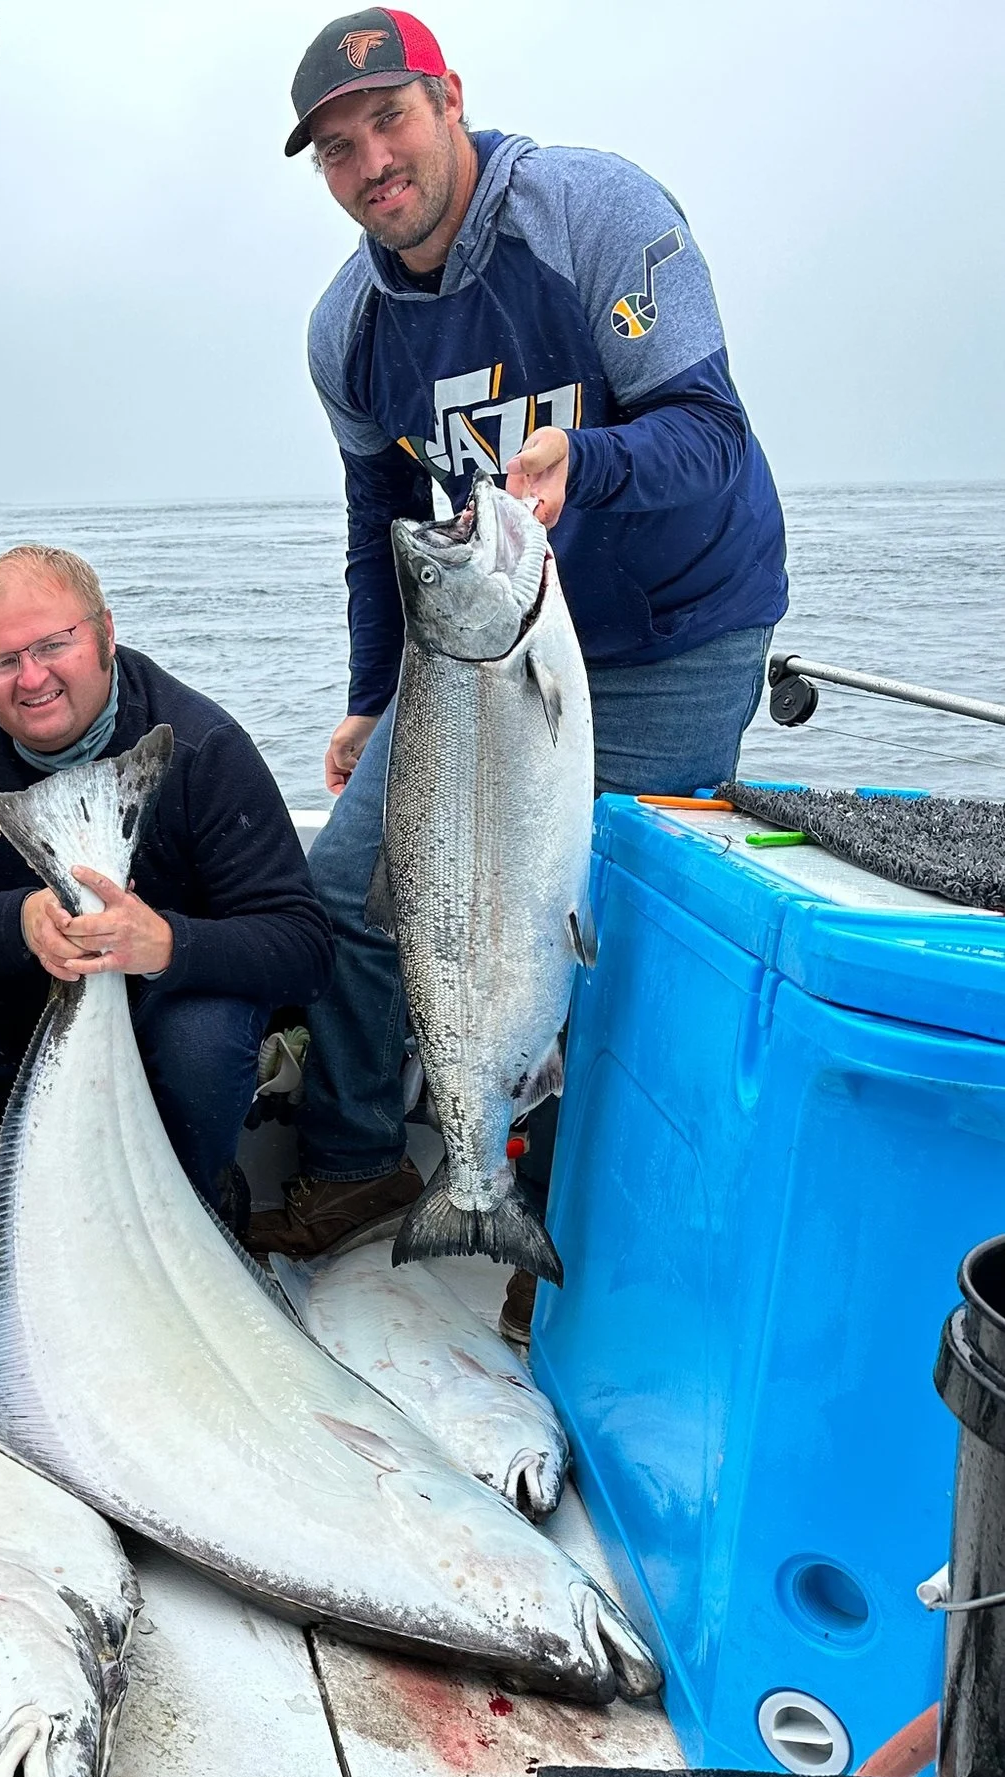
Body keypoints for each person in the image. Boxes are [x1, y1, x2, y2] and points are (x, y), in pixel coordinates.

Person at [260, 11, 789, 1323]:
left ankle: (561, 1216)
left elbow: (710, 436)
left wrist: (583, 467)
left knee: (619, 929)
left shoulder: (591, 213)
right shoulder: (349, 330)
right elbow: (368, 519)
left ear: (450, 102)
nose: (369, 158)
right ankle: (361, 1165)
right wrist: (371, 693)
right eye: (337, 146)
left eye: (388, 117)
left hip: (673, 624)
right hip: (485, 634)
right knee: (345, 890)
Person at [0, 546, 333, 1233]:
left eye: (54, 645)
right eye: (2, 662)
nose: (32, 677)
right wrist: (19, 922)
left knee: (199, 1047)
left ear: (105, 634)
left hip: (176, 1030)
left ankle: (202, 1201)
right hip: (19, 1039)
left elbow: (304, 943)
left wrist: (166, 944)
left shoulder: (203, 747)